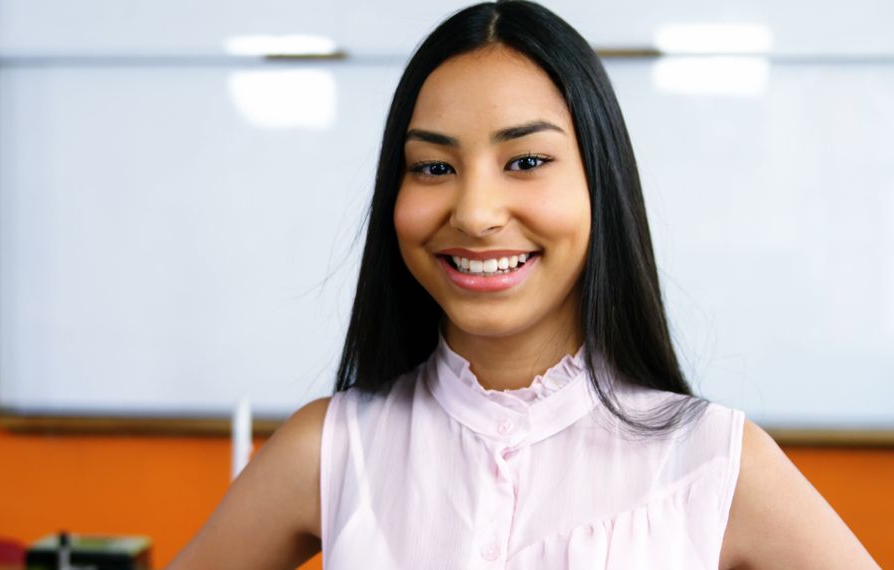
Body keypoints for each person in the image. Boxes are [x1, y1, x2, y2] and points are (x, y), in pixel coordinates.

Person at [171, 1, 879, 568]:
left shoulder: (715, 461)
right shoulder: (331, 449)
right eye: (434, 168)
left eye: (527, 160)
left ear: (600, 184)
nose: (475, 214)